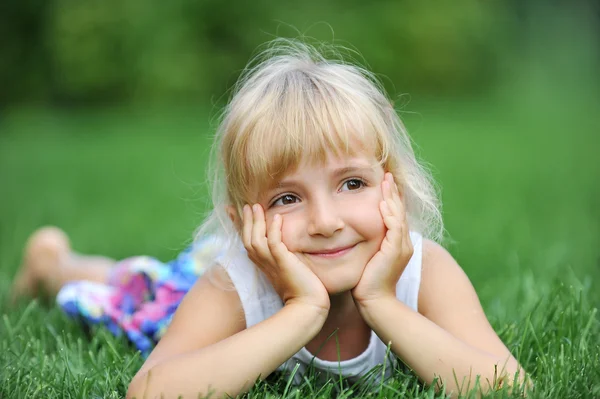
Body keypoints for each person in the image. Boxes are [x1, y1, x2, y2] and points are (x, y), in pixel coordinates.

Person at [11, 39, 528, 398]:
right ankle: (55, 263)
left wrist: (380, 302)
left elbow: (510, 388)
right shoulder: (236, 284)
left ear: (390, 182)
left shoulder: (423, 270)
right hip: (201, 283)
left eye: (352, 184)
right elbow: (150, 391)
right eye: (287, 199)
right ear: (243, 222)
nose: (325, 221)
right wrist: (301, 312)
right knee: (144, 289)